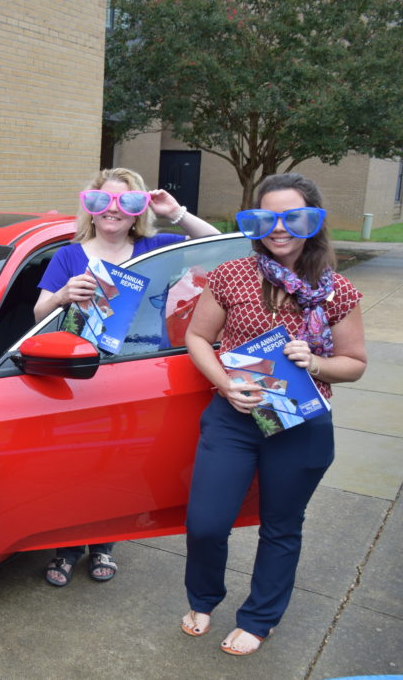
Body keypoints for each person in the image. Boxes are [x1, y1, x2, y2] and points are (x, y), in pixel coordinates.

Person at [180, 173, 366, 655]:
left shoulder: (336, 290)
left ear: (313, 222)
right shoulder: (231, 275)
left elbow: (355, 364)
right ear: (255, 222)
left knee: (281, 526)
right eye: (267, 217)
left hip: (301, 425)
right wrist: (225, 383)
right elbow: (196, 338)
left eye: (293, 216)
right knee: (205, 523)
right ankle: (204, 597)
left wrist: (318, 362)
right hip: (234, 418)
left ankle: (261, 618)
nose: (279, 228)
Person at [37, 167, 220, 587]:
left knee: (122, 465)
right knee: (75, 465)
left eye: (126, 202)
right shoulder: (70, 254)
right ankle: (66, 547)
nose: (112, 211)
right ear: (90, 206)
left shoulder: (157, 247)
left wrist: (177, 213)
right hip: (80, 372)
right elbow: (37, 313)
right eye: (102, 201)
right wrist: (65, 294)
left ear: (138, 209)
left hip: (139, 374)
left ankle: (105, 543)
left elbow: (214, 244)